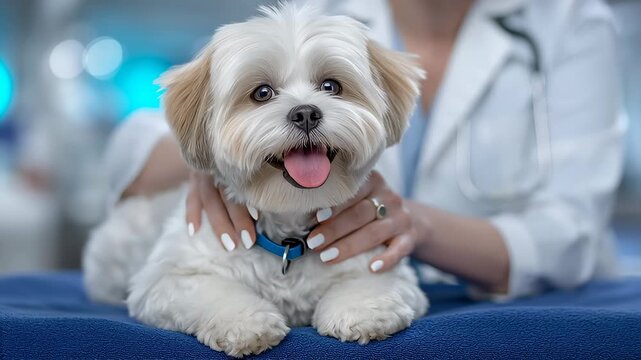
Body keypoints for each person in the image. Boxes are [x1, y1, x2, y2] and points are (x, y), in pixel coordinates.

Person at [105, 0, 624, 298]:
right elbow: (136, 140)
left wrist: (417, 225)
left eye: (331, 87)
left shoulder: (571, 20)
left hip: (523, 304)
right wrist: (214, 151)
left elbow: (571, 233)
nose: (307, 108)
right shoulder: (320, 10)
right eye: (266, 94)